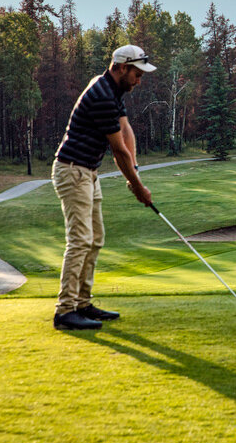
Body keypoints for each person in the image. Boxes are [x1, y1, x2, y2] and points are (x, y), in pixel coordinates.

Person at [51, 44, 157, 330]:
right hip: (73, 171)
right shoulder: (102, 95)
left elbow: (126, 132)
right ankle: (65, 311)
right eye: (137, 73)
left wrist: (134, 170)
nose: (139, 80)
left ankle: (83, 303)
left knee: (95, 238)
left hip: (88, 173)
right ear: (122, 67)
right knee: (80, 240)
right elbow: (118, 151)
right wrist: (138, 187)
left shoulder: (114, 90)